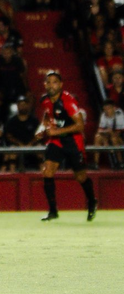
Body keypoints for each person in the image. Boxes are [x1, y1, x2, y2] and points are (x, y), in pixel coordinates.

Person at [37, 71, 97, 222]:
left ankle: (92, 202)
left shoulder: (68, 101)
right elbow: (47, 116)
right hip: (56, 141)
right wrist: (42, 129)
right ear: (44, 84)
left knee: (80, 176)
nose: (51, 85)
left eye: (54, 82)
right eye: (48, 82)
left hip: (73, 141)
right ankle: (53, 211)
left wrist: (57, 130)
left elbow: (80, 125)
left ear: (61, 85)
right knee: (47, 171)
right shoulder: (45, 100)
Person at [93, 100, 124, 168]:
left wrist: (107, 133)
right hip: (108, 135)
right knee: (97, 137)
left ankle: (120, 162)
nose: (106, 111)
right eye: (105, 109)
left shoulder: (119, 114)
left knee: (114, 139)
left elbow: (118, 133)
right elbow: (99, 130)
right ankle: (95, 163)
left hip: (120, 137)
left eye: (108, 108)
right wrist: (105, 140)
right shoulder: (103, 114)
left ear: (114, 108)